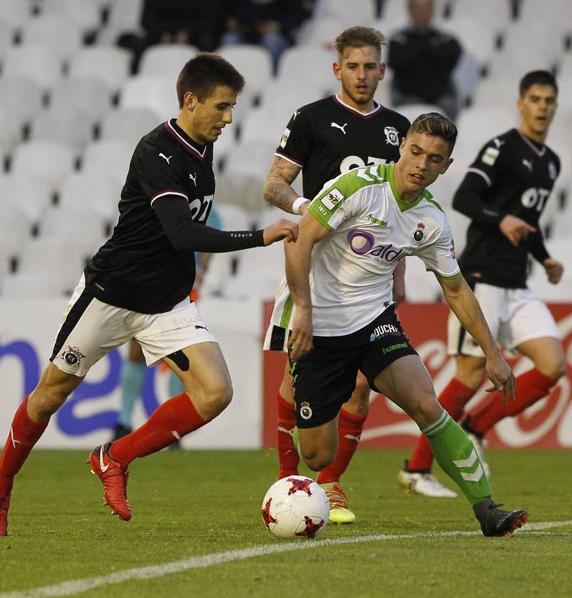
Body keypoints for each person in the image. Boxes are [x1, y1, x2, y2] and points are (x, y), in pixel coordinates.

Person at [0, 53, 297, 536]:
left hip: (166, 303)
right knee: (47, 397)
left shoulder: (202, 145)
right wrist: (258, 236)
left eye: (233, 108)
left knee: (216, 391)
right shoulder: (156, 151)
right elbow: (182, 233)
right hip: (112, 295)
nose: (229, 119)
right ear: (190, 100)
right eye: (221, 107)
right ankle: (1, 490)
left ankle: (114, 457)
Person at [272, 112, 528, 536]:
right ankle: (308, 464)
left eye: (434, 159)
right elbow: (300, 240)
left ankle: (486, 508)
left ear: (446, 166)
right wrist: (303, 309)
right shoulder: (357, 187)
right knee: (317, 456)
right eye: (416, 152)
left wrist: (493, 354)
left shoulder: (432, 219)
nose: (421, 165)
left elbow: (457, 290)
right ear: (402, 146)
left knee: (426, 404)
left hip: (376, 322)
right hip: (323, 328)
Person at [263, 26, 410, 524]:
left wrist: (400, 271)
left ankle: (329, 484)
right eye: (353, 66)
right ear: (337, 69)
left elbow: (400, 208)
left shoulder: (399, 130)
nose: (362, 75)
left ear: (382, 70)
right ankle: (288, 483)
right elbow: (274, 184)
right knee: (295, 375)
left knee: (363, 381)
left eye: (370, 67)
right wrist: (308, 209)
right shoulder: (312, 118)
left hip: (370, 277)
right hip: (315, 268)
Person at [399, 70, 565, 497]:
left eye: (549, 100)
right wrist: (500, 219)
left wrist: (544, 258)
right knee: (470, 374)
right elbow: (464, 199)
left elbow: (529, 220)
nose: (542, 107)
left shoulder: (551, 160)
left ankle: (474, 426)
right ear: (521, 103)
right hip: (482, 277)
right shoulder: (503, 148)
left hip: (517, 281)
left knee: (552, 364)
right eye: (535, 99)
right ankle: (416, 468)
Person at [112, 210, 223, 443]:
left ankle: (175, 427)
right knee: (137, 349)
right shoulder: (160, 194)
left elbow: (213, 233)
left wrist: (201, 268)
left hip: (182, 283)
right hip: (151, 279)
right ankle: (124, 422)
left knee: (183, 350)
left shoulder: (201, 200)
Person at [388, 0, 462, 119]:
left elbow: (451, 58)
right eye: (418, 9)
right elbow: (397, 62)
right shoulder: (399, 39)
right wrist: (430, 53)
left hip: (440, 97)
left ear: (432, 12)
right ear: (410, 12)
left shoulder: (445, 39)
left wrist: (418, 54)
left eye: (426, 9)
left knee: (449, 107)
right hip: (409, 97)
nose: (422, 13)